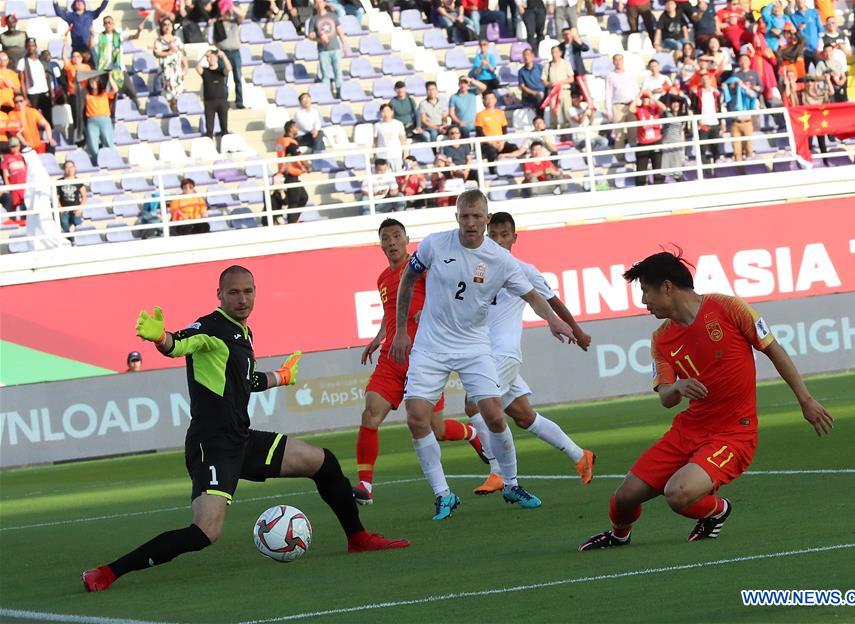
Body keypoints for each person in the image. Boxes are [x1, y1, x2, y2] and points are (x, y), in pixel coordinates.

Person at [81, 266, 411, 592]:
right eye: (234, 292)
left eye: (248, 291)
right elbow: (177, 343)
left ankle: (358, 538)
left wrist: (281, 377)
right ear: (220, 295)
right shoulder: (209, 327)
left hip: (242, 438)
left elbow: (247, 380)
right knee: (204, 532)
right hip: (212, 445)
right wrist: (160, 338)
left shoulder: (243, 333)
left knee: (323, 462)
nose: (242, 299)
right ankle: (108, 572)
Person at [578, 251, 833, 551]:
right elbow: (666, 397)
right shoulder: (661, 339)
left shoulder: (728, 308)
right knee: (623, 498)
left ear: (667, 287)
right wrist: (679, 387)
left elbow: (773, 349)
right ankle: (619, 536)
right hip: (687, 431)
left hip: (733, 433)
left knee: (678, 494)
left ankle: (718, 510)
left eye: (646, 291)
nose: (644, 301)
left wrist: (806, 400)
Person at [389, 189, 576, 520]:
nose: (470, 223)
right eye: (465, 216)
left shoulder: (500, 260)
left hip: (474, 346)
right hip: (431, 346)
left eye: (477, 217)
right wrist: (401, 329)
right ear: (457, 217)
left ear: (486, 219)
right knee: (416, 416)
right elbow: (408, 278)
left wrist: (553, 321)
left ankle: (512, 483)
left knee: (493, 414)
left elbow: (532, 295)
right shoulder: (435, 244)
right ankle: (443, 495)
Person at [353, 218, 486, 504]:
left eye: (396, 236)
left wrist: (428, 312)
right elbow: (393, 312)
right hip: (391, 357)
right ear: (381, 245)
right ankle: (365, 485)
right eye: (385, 238)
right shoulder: (382, 279)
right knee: (370, 414)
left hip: (424, 358)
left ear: (406, 239)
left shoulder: (421, 267)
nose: (391, 242)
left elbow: (449, 292)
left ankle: (472, 432)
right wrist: (378, 337)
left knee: (435, 429)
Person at [465, 212, 594, 494]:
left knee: (475, 403)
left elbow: (552, 302)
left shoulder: (523, 270)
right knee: (524, 416)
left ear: (514, 238)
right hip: (484, 354)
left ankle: (497, 472)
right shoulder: (479, 270)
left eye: (504, 235)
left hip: (505, 354)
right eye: (494, 235)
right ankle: (579, 455)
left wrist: (577, 331)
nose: (498, 240)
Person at [95, 16, 141, 116]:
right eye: (106, 23)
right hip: (104, 70)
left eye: (109, 22)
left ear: (113, 24)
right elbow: (90, 44)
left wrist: (139, 31)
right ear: (103, 25)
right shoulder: (99, 37)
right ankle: (109, 115)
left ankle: (139, 110)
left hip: (118, 68)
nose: (107, 25)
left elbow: (135, 37)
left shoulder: (118, 35)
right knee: (108, 96)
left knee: (131, 90)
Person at [724, 53, 761, 166]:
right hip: (735, 121)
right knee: (737, 150)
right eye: (742, 60)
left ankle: (751, 170)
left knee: (749, 148)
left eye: (746, 60)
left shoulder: (754, 74)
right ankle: (739, 171)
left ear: (749, 62)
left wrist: (748, 88)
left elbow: (759, 88)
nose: (744, 62)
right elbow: (728, 89)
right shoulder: (736, 75)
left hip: (748, 120)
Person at [310, 0, 349, 100]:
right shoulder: (314, 19)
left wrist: (345, 44)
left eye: (321, 2)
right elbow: (310, 35)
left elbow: (340, 32)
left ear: (324, 3)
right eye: (317, 3)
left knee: (338, 73)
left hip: (335, 48)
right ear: (315, 5)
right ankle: (326, 95)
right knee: (325, 75)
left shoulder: (332, 16)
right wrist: (319, 39)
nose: (319, 5)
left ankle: (340, 94)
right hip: (323, 50)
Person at [211, 0, 245, 109]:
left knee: (238, 78)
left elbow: (242, 15)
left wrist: (231, 6)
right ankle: (224, 102)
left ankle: (239, 102)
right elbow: (214, 40)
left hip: (235, 52)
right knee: (223, 79)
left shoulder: (235, 22)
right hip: (224, 53)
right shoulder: (217, 24)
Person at [275, 121, 310, 223]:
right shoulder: (290, 142)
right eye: (296, 127)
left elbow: (284, 155)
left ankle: (294, 220)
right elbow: (299, 156)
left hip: (285, 174)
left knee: (303, 197)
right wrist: (307, 167)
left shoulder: (281, 141)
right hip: (290, 175)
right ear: (290, 129)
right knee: (294, 201)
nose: (297, 129)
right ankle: (292, 223)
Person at [604, 54, 639, 157]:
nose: (618, 62)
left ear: (623, 61)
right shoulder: (610, 76)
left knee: (633, 131)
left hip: (631, 105)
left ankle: (635, 156)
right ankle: (619, 157)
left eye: (620, 60)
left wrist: (636, 103)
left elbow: (636, 90)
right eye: (616, 60)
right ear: (613, 62)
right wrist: (609, 110)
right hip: (617, 106)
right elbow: (608, 94)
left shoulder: (630, 74)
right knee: (619, 134)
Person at [629, 91, 666, 186]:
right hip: (643, 142)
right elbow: (630, 109)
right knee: (641, 170)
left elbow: (663, 108)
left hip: (656, 141)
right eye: (644, 98)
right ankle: (640, 190)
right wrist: (639, 95)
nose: (645, 99)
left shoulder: (654, 108)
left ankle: (659, 188)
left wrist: (652, 97)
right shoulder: (639, 109)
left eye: (647, 97)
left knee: (658, 169)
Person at [154, 17, 188, 113]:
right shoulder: (159, 41)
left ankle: (177, 111)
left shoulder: (177, 40)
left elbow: (183, 54)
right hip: (166, 71)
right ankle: (171, 111)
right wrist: (169, 52)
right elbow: (157, 53)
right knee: (168, 95)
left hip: (177, 70)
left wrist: (185, 66)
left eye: (169, 24)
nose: (167, 27)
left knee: (179, 93)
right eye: (165, 25)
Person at [197, 47, 232, 138]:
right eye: (210, 57)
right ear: (207, 59)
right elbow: (197, 68)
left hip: (222, 101)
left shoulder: (220, 71)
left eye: (214, 57)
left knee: (224, 128)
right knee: (209, 130)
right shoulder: (205, 71)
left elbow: (229, 68)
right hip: (209, 102)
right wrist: (204, 55)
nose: (212, 59)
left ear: (217, 58)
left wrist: (223, 56)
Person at [17, 38, 53, 124]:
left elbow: (48, 78)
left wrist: (51, 92)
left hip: (44, 92)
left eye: (32, 46)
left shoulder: (41, 60)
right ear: (26, 47)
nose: (31, 48)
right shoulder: (22, 61)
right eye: (28, 46)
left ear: (36, 47)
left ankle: (49, 136)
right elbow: (21, 81)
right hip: (32, 93)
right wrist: (25, 97)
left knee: (48, 117)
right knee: (33, 118)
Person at [84, 76, 115, 166]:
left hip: (105, 119)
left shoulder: (104, 93)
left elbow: (115, 89)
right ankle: (96, 164)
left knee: (108, 141)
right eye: (92, 82)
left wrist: (110, 77)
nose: (94, 84)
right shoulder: (86, 95)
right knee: (93, 144)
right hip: (92, 121)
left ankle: (111, 162)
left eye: (96, 81)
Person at [541, 45, 574, 130]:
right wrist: (550, 84)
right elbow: (543, 80)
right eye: (553, 52)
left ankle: (568, 133)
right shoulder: (547, 65)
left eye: (556, 52)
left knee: (567, 113)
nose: (554, 54)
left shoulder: (566, 64)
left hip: (564, 91)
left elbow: (571, 78)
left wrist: (559, 83)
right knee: (554, 113)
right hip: (552, 93)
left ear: (560, 53)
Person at [560, 28, 594, 110]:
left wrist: (577, 39)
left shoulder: (576, 44)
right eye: (564, 34)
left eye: (568, 34)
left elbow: (585, 48)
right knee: (571, 93)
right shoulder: (560, 47)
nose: (567, 36)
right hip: (567, 74)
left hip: (578, 72)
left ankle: (589, 108)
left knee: (583, 91)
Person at [659, 94, 688, 181]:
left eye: (677, 103)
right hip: (667, 144)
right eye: (673, 103)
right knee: (664, 169)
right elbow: (661, 105)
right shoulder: (667, 114)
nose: (676, 105)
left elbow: (682, 134)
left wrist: (683, 149)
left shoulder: (683, 117)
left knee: (677, 172)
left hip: (677, 145)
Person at [1, 136, 27, 223]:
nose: (14, 148)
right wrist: (7, 183)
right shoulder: (7, 157)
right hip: (14, 184)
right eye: (12, 146)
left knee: (25, 202)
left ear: (19, 146)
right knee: (14, 203)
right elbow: (4, 170)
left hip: (24, 184)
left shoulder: (23, 156)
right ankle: (12, 220)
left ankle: (25, 220)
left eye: (16, 146)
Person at [374, 103, 407, 172]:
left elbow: (402, 139)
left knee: (398, 175)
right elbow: (375, 140)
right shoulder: (377, 125)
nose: (386, 114)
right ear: (380, 113)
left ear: (392, 112)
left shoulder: (398, 124)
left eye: (388, 111)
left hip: (396, 154)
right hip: (382, 156)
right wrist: (375, 153)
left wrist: (405, 152)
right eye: (383, 112)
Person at [57, 159, 86, 233]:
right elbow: (55, 197)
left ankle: (73, 227)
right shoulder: (59, 182)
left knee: (77, 221)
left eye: (71, 167)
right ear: (64, 169)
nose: (70, 169)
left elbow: (84, 196)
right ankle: (71, 241)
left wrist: (80, 208)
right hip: (64, 209)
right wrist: (60, 207)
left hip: (75, 208)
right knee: (64, 224)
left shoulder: (78, 181)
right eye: (67, 167)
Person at [517, 48, 544, 112]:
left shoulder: (540, 67)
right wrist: (535, 93)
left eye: (528, 55)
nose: (526, 57)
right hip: (531, 94)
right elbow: (522, 86)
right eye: (524, 55)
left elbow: (545, 80)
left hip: (543, 92)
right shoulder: (521, 71)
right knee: (538, 100)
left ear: (532, 56)